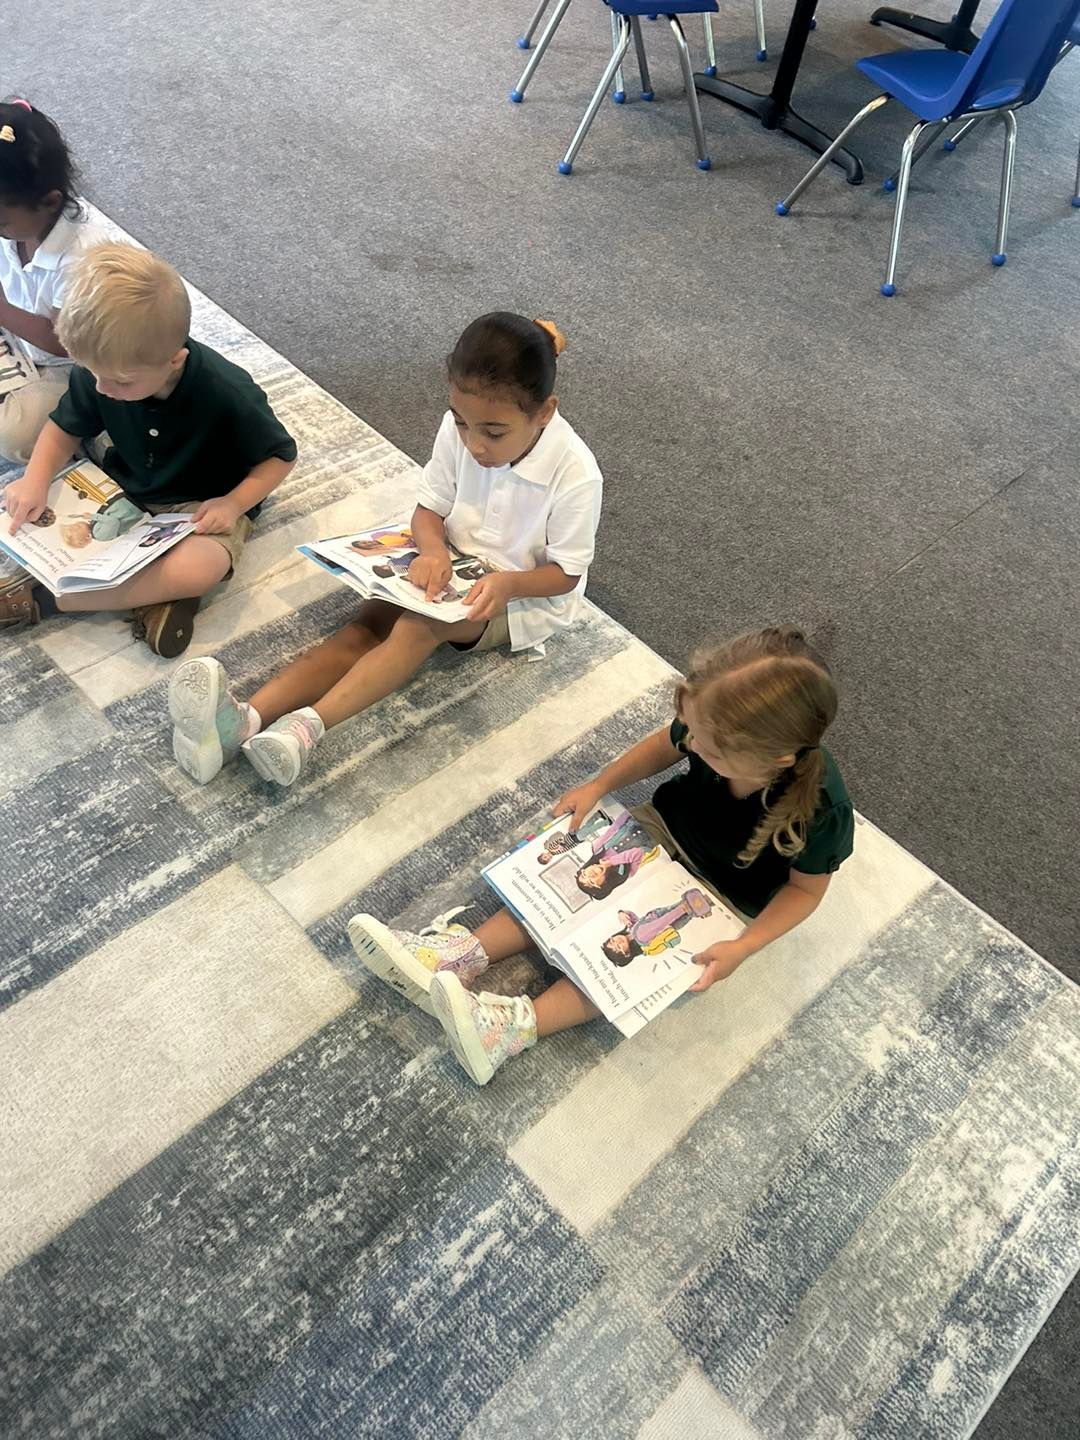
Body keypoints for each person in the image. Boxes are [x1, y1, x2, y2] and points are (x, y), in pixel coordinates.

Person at [347, 626, 855, 1085]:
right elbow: (664, 746)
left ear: (778, 759)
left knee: (619, 957)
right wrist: (600, 784)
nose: (694, 745)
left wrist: (745, 946)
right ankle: (454, 957)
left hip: (722, 893)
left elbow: (806, 890)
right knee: (570, 887)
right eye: (692, 730)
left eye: (711, 749)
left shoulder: (823, 809)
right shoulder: (712, 723)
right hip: (663, 828)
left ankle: (510, 1029)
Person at [166, 311, 603, 787]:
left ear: (545, 412)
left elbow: (566, 574)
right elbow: (429, 511)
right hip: (454, 563)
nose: (474, 444)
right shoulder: (463, 428)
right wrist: (433, 550)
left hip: (520, 597)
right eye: (462, 424)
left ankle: (305, 729)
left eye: (493, 432)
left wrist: (508, 584)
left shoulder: (576, 473)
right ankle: (244, 721)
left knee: (419, 627)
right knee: (364, 626)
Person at [0, 243, 297, 651]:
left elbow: (280, 457)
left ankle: (50, 600)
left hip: (198, 504)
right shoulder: (104, 370)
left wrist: (232, 504)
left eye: (121, 382)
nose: (103, 388)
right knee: (35, 506)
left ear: (174, 362)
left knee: (204, 565)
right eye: (91, 373)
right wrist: (34, 480)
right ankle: (153, 598)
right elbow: (63, 426)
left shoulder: (226, 392)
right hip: (123, 484)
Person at [0, 100, 106, 463]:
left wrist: (2, 311)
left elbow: (66, 344)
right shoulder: (19, 221)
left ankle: (94, 433)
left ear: (49, 202)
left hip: (70, 366)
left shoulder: (84, 256)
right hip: (18, 334)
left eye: (1, 223)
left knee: (16, 435)